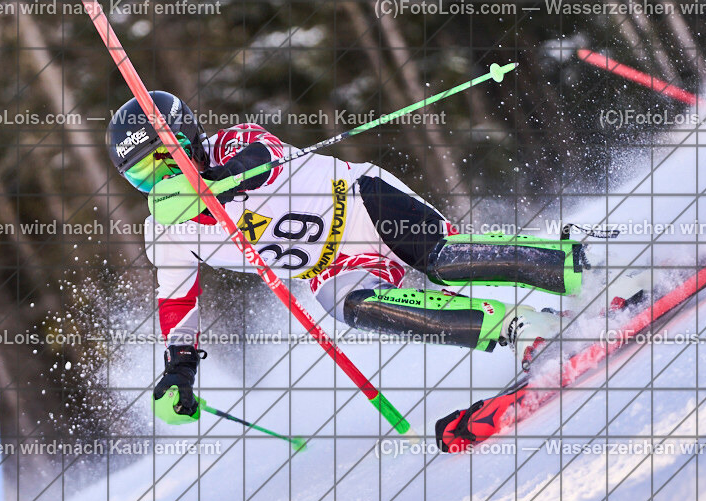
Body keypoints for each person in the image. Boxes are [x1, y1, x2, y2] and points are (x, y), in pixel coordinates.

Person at [107, 91, 586, 423]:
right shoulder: (167, 231)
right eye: (144, 178)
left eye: (163, 161)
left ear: (186, 138)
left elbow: (258, 162)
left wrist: (209, 185)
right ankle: (525, 329)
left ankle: (574, 263)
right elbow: (177, 303)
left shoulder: (233, 143)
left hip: (361, 203)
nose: (160, 182)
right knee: (355, 308)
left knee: (444, 260)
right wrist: (179, 370)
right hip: (331, 268)